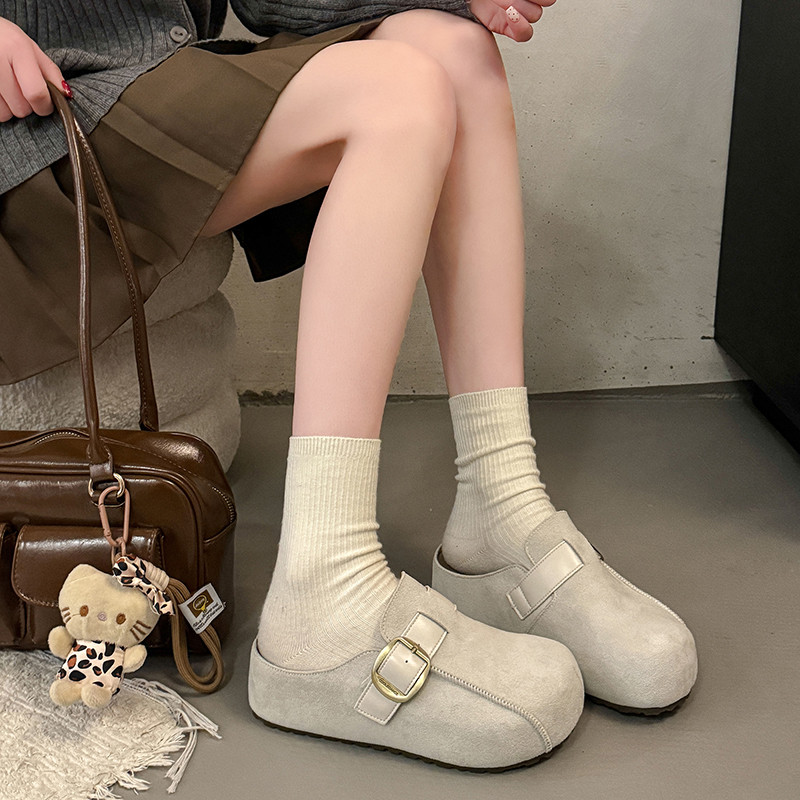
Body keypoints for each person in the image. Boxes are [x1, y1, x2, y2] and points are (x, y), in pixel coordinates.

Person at [0, 0, 697, 770]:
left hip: (154, 91)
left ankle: (500, 513)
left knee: (453, 48)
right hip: (32, 130)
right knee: (397, 93)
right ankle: (321, 596)